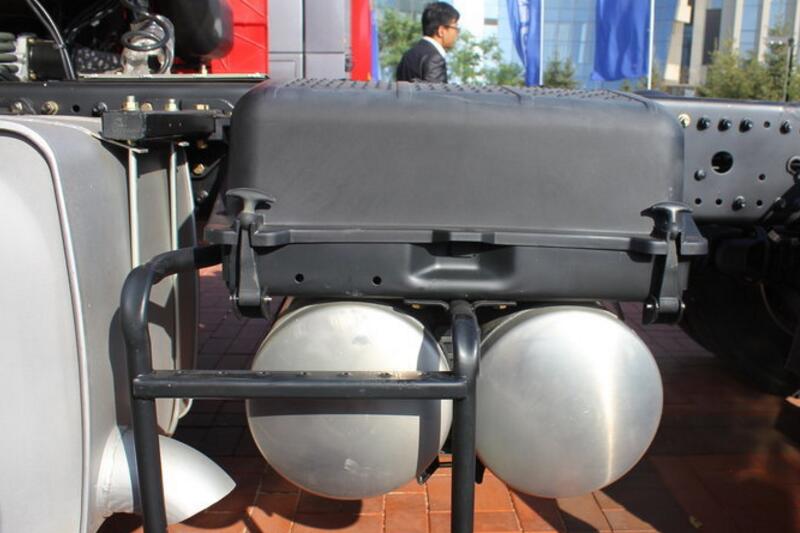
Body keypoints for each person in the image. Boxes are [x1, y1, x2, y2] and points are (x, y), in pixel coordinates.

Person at [396, 2, 459, 83]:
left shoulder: (408, 55)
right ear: (441, 31)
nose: (457, 33)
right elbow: (436, 91)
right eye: (455, 28)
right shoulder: (435, 59)